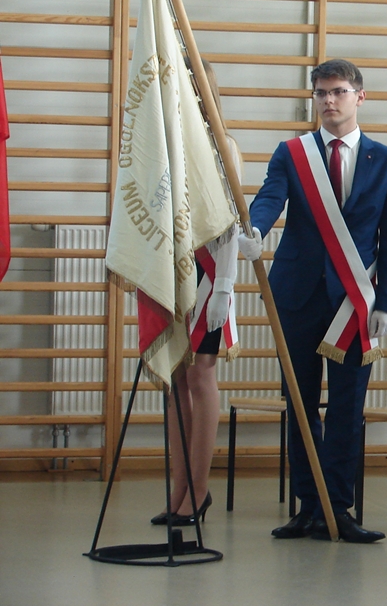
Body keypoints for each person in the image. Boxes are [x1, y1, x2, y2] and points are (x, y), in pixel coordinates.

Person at [239, 59, 387, 543]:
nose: (328, 100)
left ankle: (338, 507)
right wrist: (256, 228)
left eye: (338, 91)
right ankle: (307, 505)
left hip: (355, 302)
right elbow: (269, 198)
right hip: (298, 295)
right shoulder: (293, 153)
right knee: (300, 402)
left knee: (348, 408)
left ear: (360, 96)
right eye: (320, 93)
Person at [151, 60, 241, 527]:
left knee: (200, 378)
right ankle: (179, 486)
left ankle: (199, 490)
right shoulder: (162, 143)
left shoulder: (220, 144)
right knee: (176, 383)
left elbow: (230, 224)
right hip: (173, 275)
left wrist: (224, 286)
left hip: (207, 274)